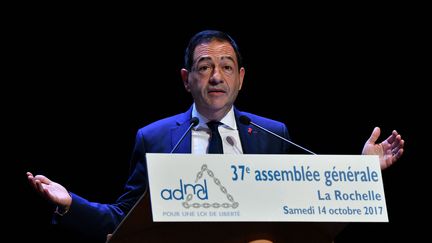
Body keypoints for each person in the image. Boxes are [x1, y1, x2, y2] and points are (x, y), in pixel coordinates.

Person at [27, 30, 405, 242]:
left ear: (241, 78)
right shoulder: (155, 138)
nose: (216, 77)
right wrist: (69, 203)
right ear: (186, 79)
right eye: (204, 67)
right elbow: (123, 219)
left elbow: (318, 203)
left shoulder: (273, 135)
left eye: (226, 67)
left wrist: (364, 170)